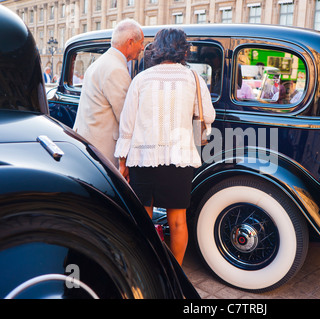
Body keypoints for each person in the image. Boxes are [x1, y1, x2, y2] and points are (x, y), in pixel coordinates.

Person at [114, 28, 215, 265]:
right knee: (178, 221)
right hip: (179, 158)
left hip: (143, 158)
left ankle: (148, 270)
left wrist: (122, 162)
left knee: (143, 219)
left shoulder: (141, 79)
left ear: (157, 48)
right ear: (183, 48)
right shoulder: (193, 79)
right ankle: (176, 275)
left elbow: (127, 125)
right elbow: (207, 115)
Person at [73, 19, 144, 167]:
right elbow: (126, 118)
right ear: (130, 42)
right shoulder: (116, 69)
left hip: (89, 145)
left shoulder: (100, 63)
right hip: (104, 151)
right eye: (141, 42)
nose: (142, 47)